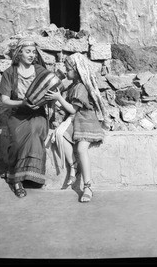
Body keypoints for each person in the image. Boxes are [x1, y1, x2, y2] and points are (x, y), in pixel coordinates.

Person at [45, 53, 110, 203]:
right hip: (75, 120)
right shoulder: (74, 85)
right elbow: (71, 110)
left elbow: (74, 109)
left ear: (76, 70)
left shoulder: (80, 87)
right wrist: (56, 101)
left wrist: (59, 98)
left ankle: (87, 186)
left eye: (68, 69)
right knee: (61, 135)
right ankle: (73, 166)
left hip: (86, 120)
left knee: (81, 148)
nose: (66, 72)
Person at [0, 38, 49, 198]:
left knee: (34, 131)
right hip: (18, 114)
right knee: (19, 139)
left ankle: (33, 175)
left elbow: (51, 88)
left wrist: (45, 99)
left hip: (37, 113)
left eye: (34, 52)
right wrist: (23, 102)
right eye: (28, 51)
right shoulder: (9, 73)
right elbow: (4, 100)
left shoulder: (40, 70)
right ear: (19, 53)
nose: (32, 55)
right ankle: (16, 179)